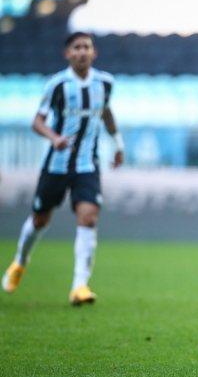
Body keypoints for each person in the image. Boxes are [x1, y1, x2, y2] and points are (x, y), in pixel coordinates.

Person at [2, 32, 125, 305]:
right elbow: (37, 121)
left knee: (89, 217)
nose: (82, 52)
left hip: (87, 165)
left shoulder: (105, 83)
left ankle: (79, 286)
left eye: (87, 47)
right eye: (77, 47)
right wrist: (54, 137)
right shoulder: (57, 85)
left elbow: (106, 113)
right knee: (39, 219)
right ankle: (20, 263)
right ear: (67, 53)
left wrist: (117, 144)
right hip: (56, 165)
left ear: (94, 53)